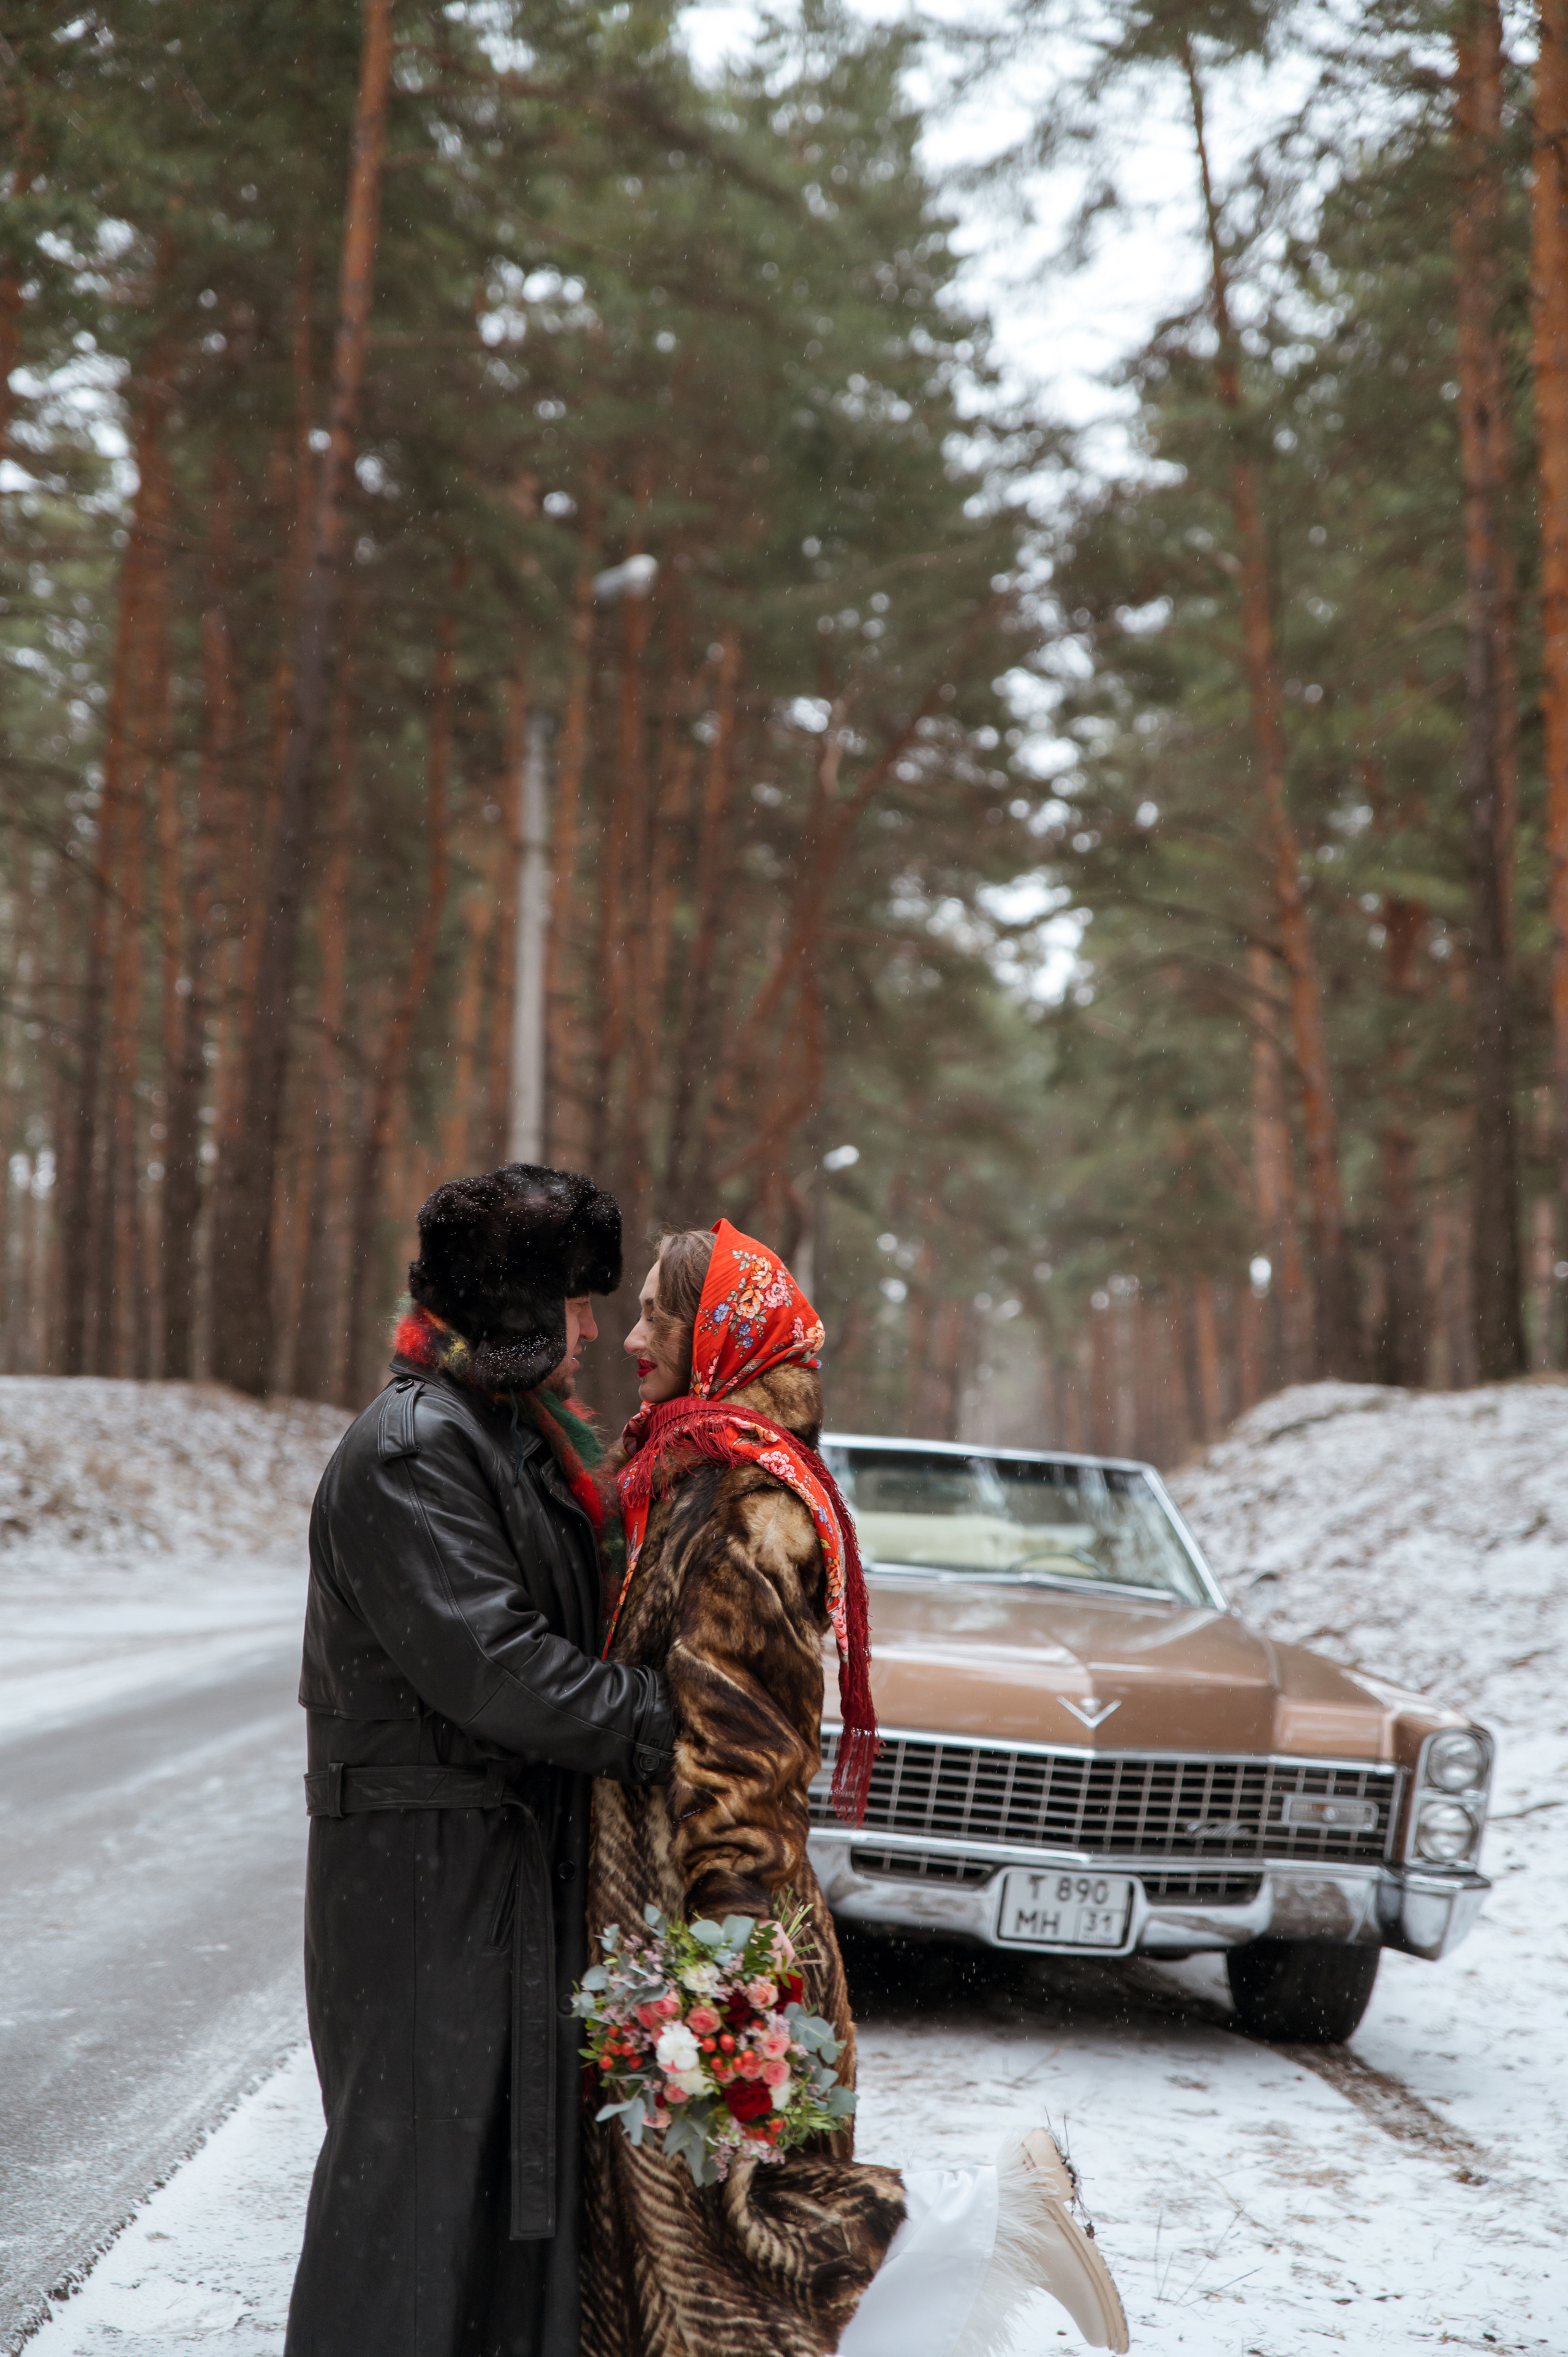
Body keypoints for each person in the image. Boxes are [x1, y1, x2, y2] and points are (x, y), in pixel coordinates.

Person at [582, 1219, 1129, 2357]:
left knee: (741, 2235)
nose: (633, 1337)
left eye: (657, 1316)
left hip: (719, 1921)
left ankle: (1005, 2221)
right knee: (716, 2228)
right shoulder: (698, 1477)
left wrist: (722, 1968)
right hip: (695, 1919)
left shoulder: (749, 1510)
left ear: (718, 1337)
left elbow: (746, 1748)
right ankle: (1000, 2225)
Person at [284, 1164, 677, 2357]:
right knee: (408, 2203)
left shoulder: (511, 1442)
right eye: (572, 1301)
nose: (594, 1330)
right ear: (513, 1308)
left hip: (491, 1886)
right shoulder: (414, 1448)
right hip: (420, 1892)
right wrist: (667, 1719)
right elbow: (498, 1667)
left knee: (499, 2213)